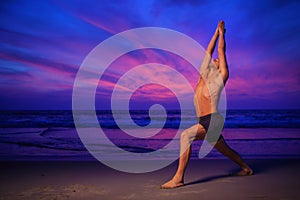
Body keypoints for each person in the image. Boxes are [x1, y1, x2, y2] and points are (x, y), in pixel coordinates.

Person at [161, 20, 253, 189]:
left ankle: (178, 179)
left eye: (218, 61)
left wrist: (222, 34)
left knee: (185, 136)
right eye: (215, 60)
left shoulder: (221, 78)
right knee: (225, 150)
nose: (216, 59)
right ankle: (246, 168)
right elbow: (209, 51)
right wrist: (214, 33)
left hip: (213, 120)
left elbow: (220, 50)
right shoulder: (202, 76)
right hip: (203, 120)